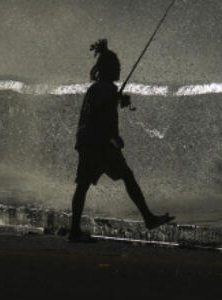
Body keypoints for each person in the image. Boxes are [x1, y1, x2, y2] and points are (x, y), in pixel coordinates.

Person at [67, 38, 173, 242]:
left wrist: (116, 101)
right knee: (125, 177)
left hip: (87, 141)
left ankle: (74, 230)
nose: (119, 69)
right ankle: (148, 218)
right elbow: (100, 113)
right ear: (108, 69)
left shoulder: (97, 88)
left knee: (84, 185)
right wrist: (114, 135)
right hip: (99, 144)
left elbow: (98, 112)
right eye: (116, 66)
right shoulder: (106, 89)